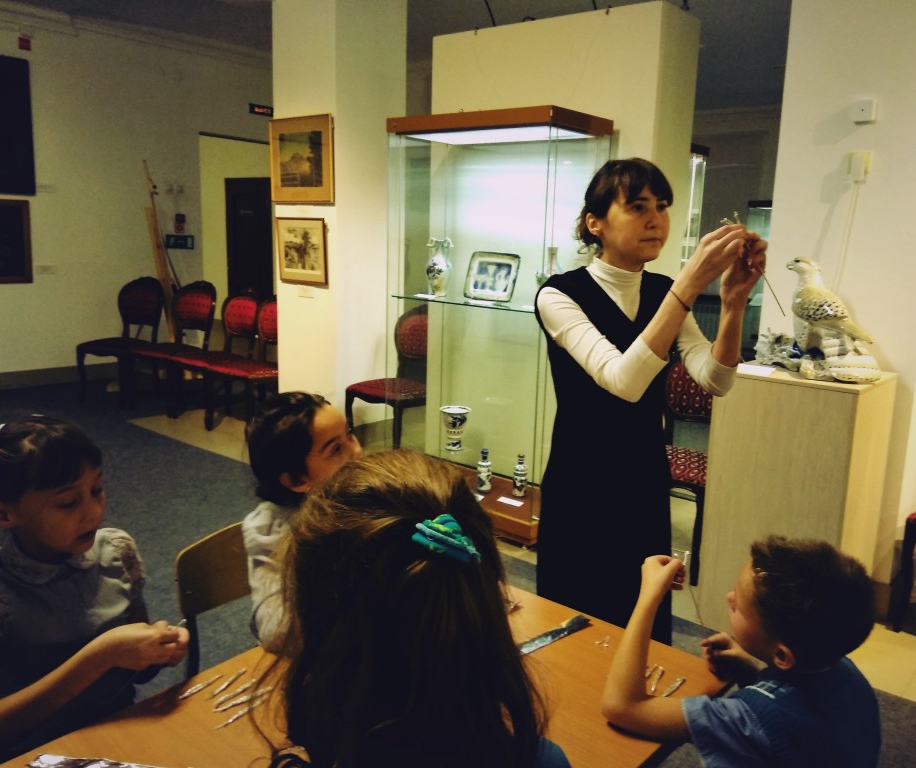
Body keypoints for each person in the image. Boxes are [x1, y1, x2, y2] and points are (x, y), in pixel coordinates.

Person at [534, 157, 766, 641]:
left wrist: (732, 303)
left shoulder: (663, 291)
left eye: (661, 207)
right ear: (595, 223)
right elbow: (623, 380)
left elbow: (715, 378)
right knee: (577, 616)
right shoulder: (558, 295)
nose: (655, 219)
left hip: (642, 474)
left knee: (642, 610)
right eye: (637, 207)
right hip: (582, 477)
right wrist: (689, 284)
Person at [260, 450, 569, 767]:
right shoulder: (543, 761)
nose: (355, 449)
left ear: (307, 611)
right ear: (483, 597)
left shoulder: (323, 752)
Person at [0, 416, 189, 762]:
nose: (93, 512)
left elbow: (138, 673)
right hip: (37, 754)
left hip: (120, 732)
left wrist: (159, 648)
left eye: (97, 490)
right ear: (3, 514)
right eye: (67, 503)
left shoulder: (117, 551)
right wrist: (100, 656)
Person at [601, 535, 881, 768]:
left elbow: (623, 707)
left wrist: (650, 595)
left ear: (782, 656)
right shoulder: (846, 670)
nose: (729, 598)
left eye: (738, 606)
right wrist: (751, 673)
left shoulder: (746, 719)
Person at [243, 391, 361, 652]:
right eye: (336, 449)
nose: (357, 451)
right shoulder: (273, 532)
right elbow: (277, 632)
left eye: (350, 434)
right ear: (297, 480)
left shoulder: (355, 498)